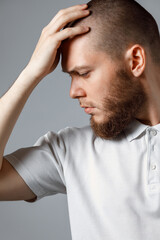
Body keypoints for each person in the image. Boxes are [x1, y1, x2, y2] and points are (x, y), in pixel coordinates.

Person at [0, 0, 160, 239]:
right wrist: (31, 73)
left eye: (83, 73)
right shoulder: (69, 151)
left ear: (136, 61)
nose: (73, 92)